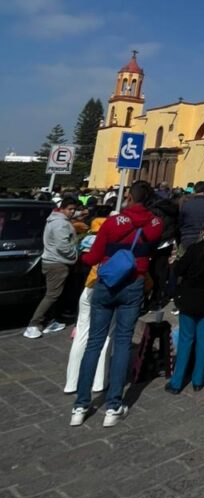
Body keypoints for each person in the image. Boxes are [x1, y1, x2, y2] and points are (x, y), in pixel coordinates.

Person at [70, 180, 163, 427]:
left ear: (130, 198)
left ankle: (80, 405)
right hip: (134, 284)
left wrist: (82, 256)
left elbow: (93, 257)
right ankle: (113, 406)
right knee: (123, 342)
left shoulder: (111, 223)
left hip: (107, 284)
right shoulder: (155, 223)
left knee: (95, 343)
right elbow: (154, 238)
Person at [165, 221, 204, 394]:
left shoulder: (194, 249)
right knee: (203, 339)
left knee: (186, 339)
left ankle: (177, 382)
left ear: (202, 232)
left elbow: (179, 270)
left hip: (189, 298)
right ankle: (198, 380)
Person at [64, 198, 114, 393]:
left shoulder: (87, 234)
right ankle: (99, 381)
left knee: (82, 334)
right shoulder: (117, 238)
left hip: (89, 286)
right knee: (106, 335)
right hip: (108, 287)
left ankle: (71, 382)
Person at [24, 195, 79, 338]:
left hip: (52, 260)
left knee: (53, 294)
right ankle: (33, 325)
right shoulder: (61, 223)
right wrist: (75, 255)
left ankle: (49, 321)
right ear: (62, 209)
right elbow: (63, 246)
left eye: (74, 209)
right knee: (51, 295)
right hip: (58, 263)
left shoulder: (54, 220)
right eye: (69, 209)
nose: (72, 212)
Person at [178, 182, 204, 252]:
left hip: (186, 237)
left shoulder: (186, 204)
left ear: (194, 190)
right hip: (203, 237)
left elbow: (180, 221)